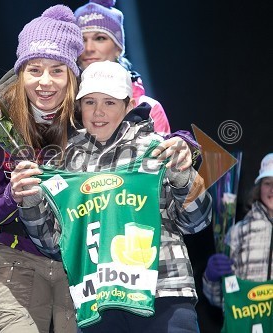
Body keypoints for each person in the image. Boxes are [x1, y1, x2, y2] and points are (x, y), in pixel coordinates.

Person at [12, 61, 212, 332]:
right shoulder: (63, 163)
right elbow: (52, 244)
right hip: (97, 303)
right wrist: (30, 202)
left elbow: (198, 221)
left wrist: (184, 178)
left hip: (164, 293)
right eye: (90, 102)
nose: (98, 112)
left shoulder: (159, 149)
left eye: (109, 102)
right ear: (78, 106)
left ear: (128, 106)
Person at [0, 5, 84, 332]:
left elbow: (142, 127)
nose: (45, 82)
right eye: (34, 69)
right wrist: (11, 194)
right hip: (17, 263)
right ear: (21, 72)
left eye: (57, 70)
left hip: (79, 263)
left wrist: (184, 144)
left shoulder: (88, 115)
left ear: (72, 74)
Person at [74, 0, 171, 135]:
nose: (88, 48)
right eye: (82, 40)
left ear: (118, 48)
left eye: (100, 38)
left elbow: (163, 155)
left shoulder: (148, 109)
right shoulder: (60, 106)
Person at [202, 153, 273, 331]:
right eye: (268, 183)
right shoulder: (237, 232)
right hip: (245, 324)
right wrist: (211, 278)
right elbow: (222, 300)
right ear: (259, 188)